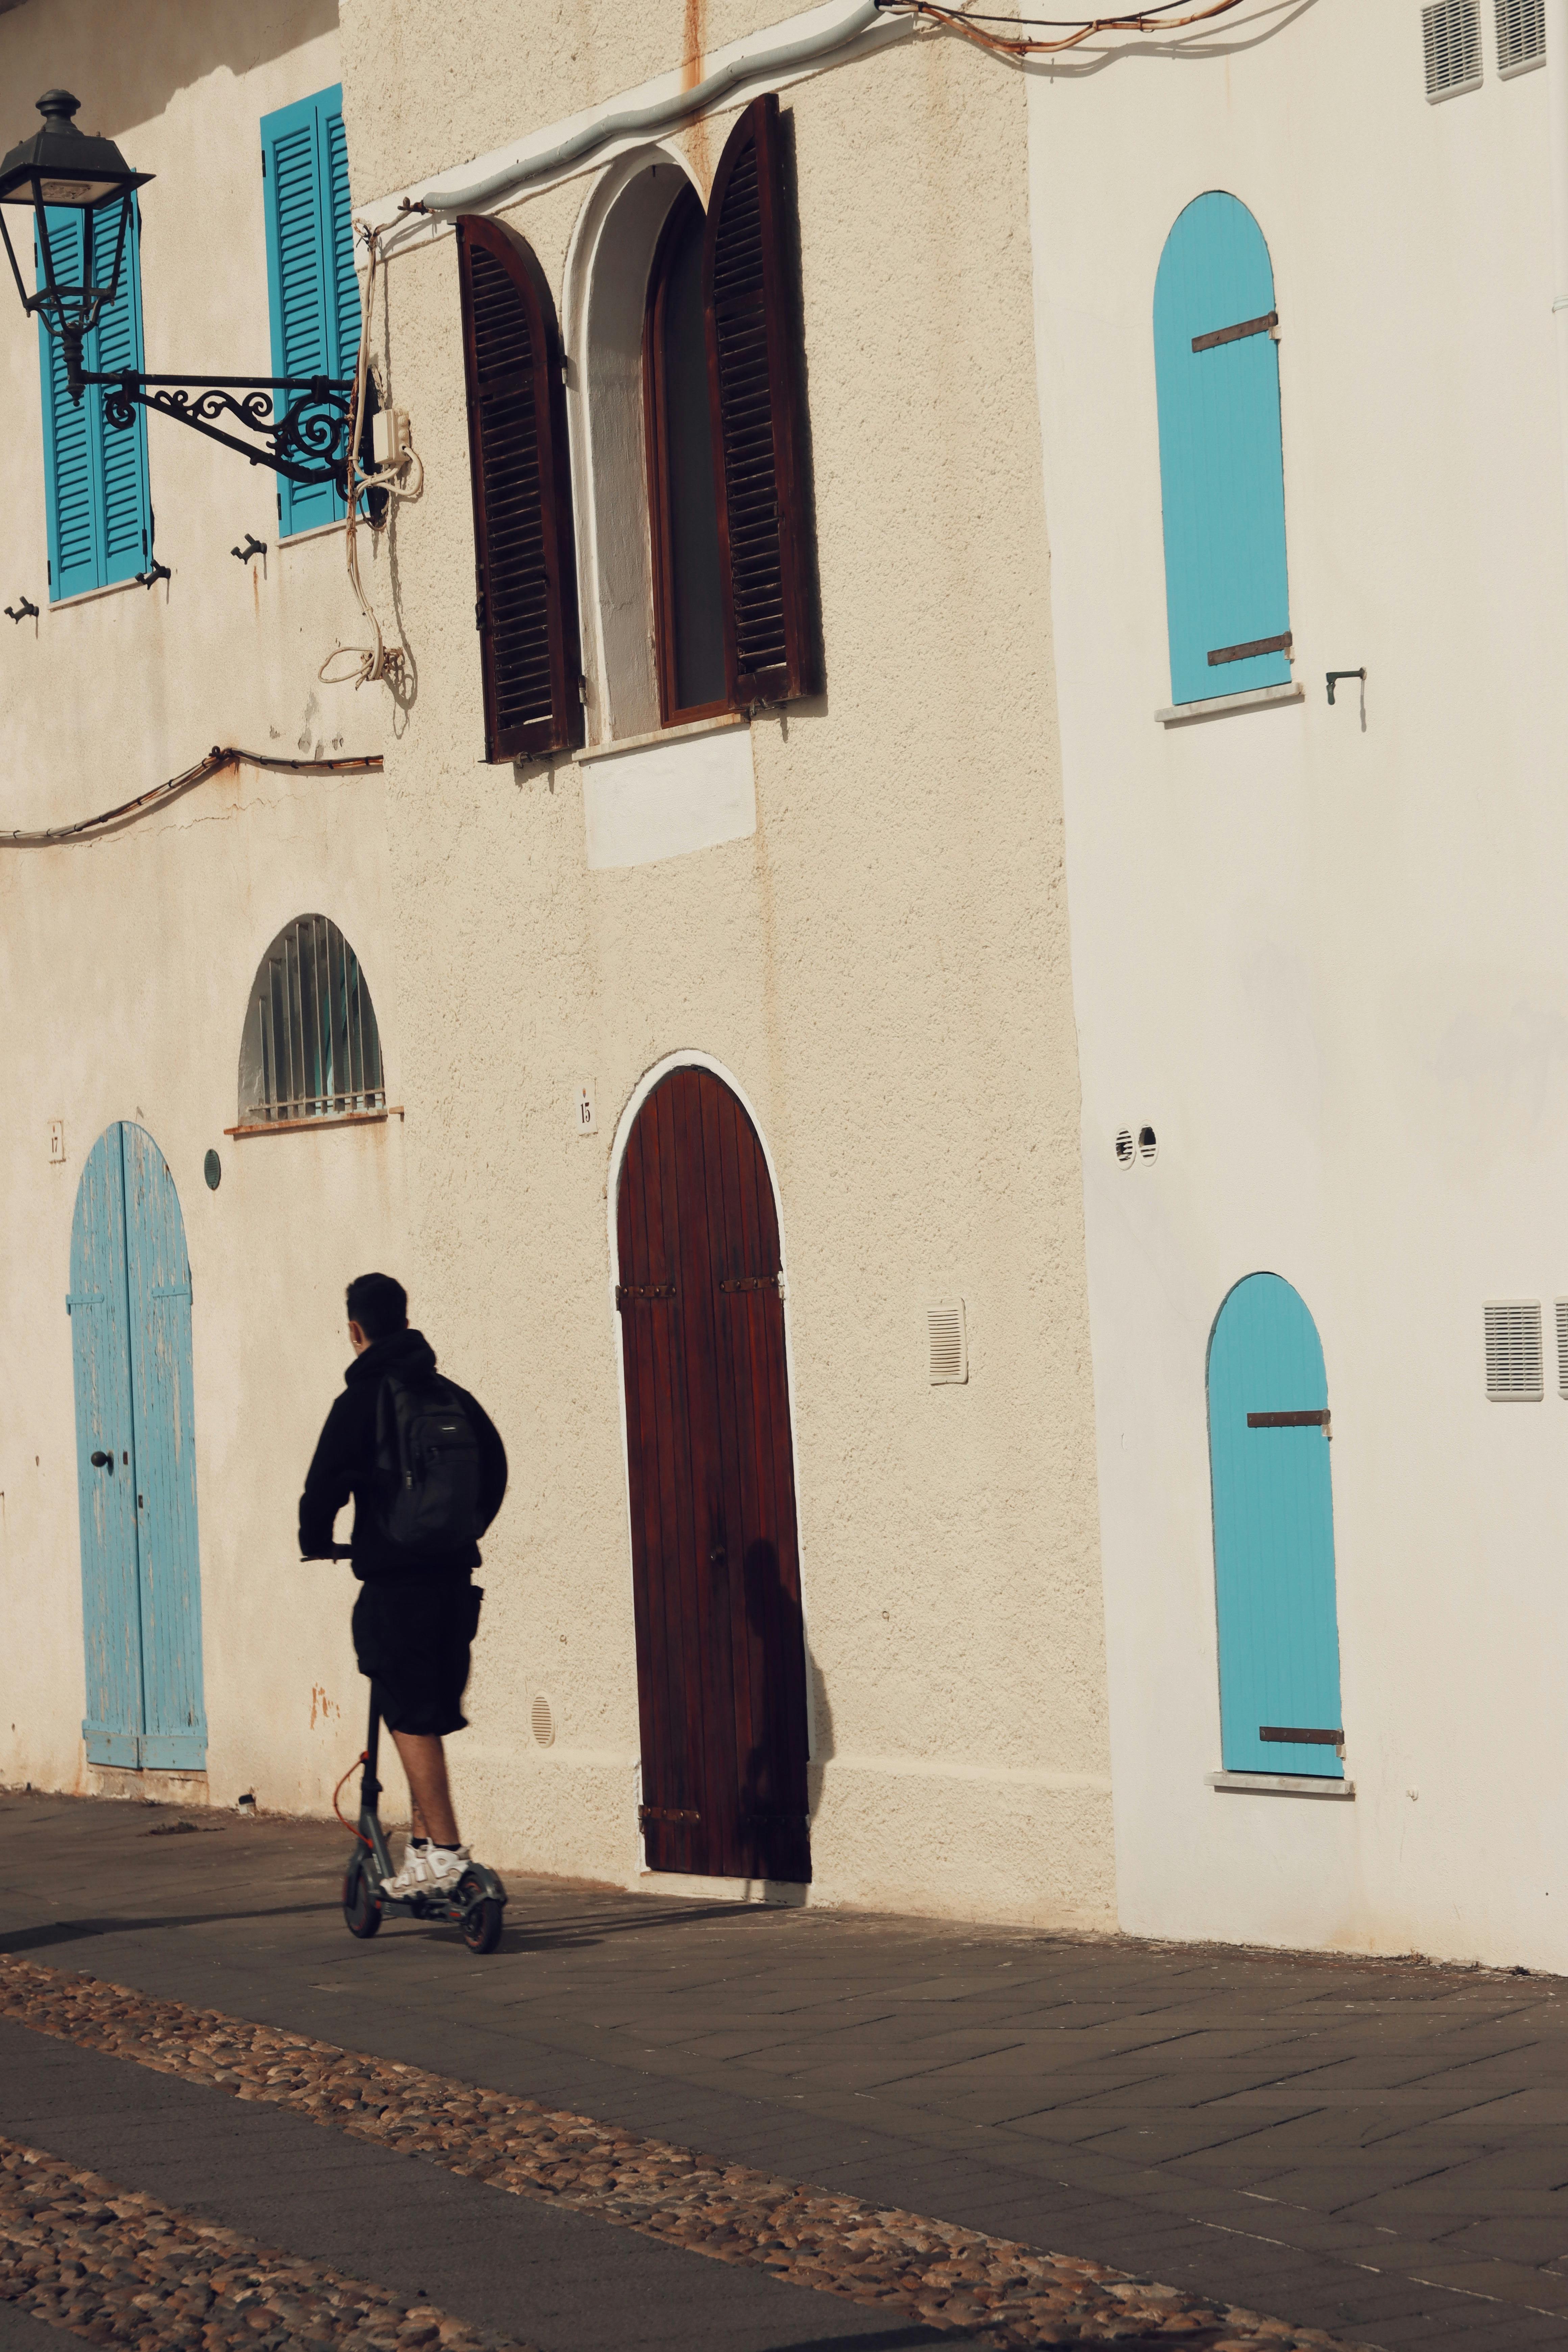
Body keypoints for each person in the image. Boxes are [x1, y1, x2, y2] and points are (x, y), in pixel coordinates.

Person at [299, 1272, 507, 1898]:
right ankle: (420, 1853)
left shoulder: (362, 1401)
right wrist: (464, 1529)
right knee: (432, 1705)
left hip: (397, 1581)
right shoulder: (450, 1395)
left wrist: (317, 1542)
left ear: (357, 1330)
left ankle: (444, 1850)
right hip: (455, 1578)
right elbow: (493, 1470)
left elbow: (324, 1485)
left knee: (409, 1711)